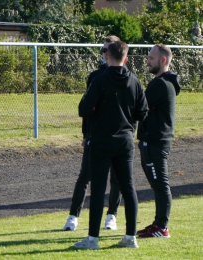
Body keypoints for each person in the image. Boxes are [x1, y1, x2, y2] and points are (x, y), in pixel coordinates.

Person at [74, 41, 148, 249]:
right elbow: (142, 112)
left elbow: (84, 108)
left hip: (101, 140)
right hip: (125, 140)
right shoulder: (134, 80)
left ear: (107, 56)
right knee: (128, 186)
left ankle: (93, 239)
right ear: (126, 58)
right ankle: (130, 236)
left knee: (98, 188)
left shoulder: (100, 80)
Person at [63, 36, 122, 232]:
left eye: (108, 50)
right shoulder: (95, 76)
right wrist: (85, 135)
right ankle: (73, 216)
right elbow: (86, 109)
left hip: (118, 137)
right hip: (95, 136)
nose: (104, 54)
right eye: (102, 50)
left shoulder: (126, 76)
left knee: (116, 178)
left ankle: (112, 215)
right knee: (85, 175)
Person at [137, 44, 181, 238]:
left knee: (161, 184)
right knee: (157, 184)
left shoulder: (161, 84)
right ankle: (158, 223)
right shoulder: (164, 83)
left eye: (151, 58)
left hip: (156, 142)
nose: (148, 60)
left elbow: (140, 107)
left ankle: (162, 227)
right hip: (154, 141)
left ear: (163, 60)